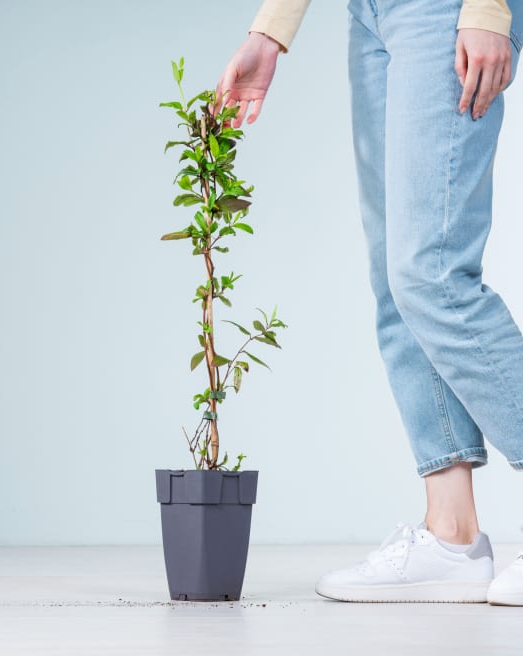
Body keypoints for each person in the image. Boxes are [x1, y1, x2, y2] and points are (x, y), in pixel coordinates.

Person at [215, 0, 523, 604]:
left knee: (429, 273)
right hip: (371, 13)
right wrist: (271, 31)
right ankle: (451, 537)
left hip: (446, 8)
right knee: (395, 280)